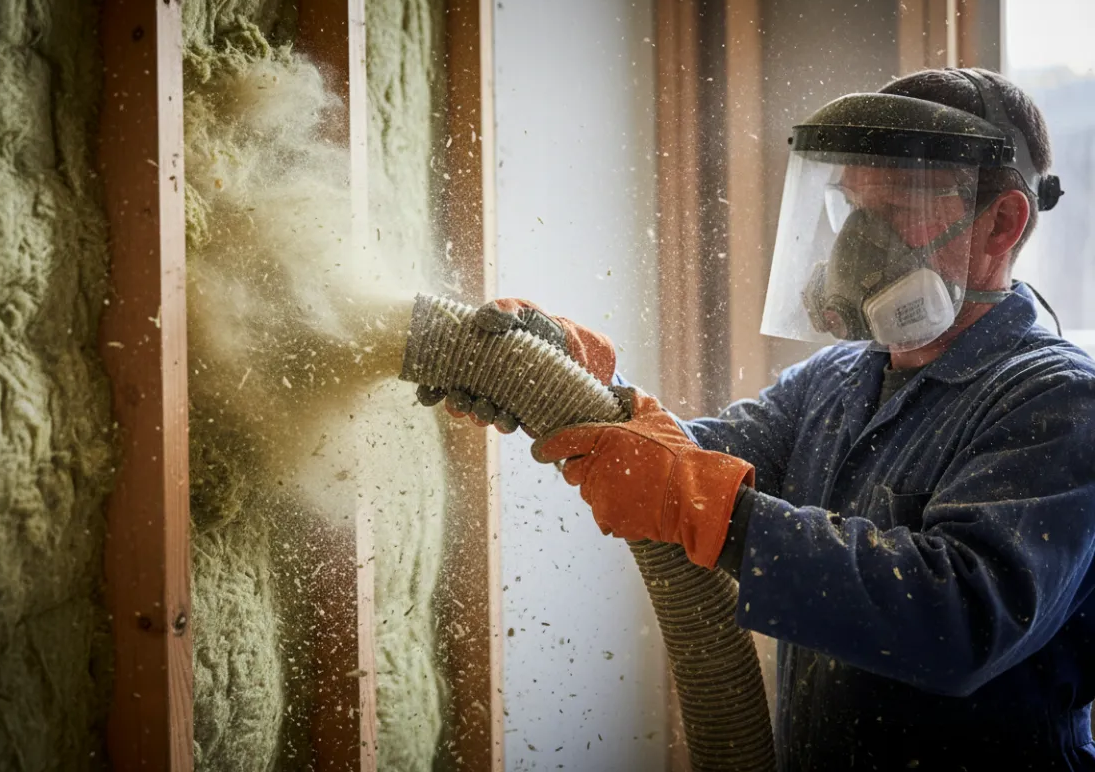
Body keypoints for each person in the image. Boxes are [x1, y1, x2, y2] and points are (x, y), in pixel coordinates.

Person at [419, 68, 1095, 770]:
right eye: (850, 209)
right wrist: (574, 381)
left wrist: (721, 516)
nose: (858, 243)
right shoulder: (837, 379)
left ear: (1002, 221)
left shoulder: (1058, 402)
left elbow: (959, 618)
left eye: (893, 208)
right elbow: (685, 461)